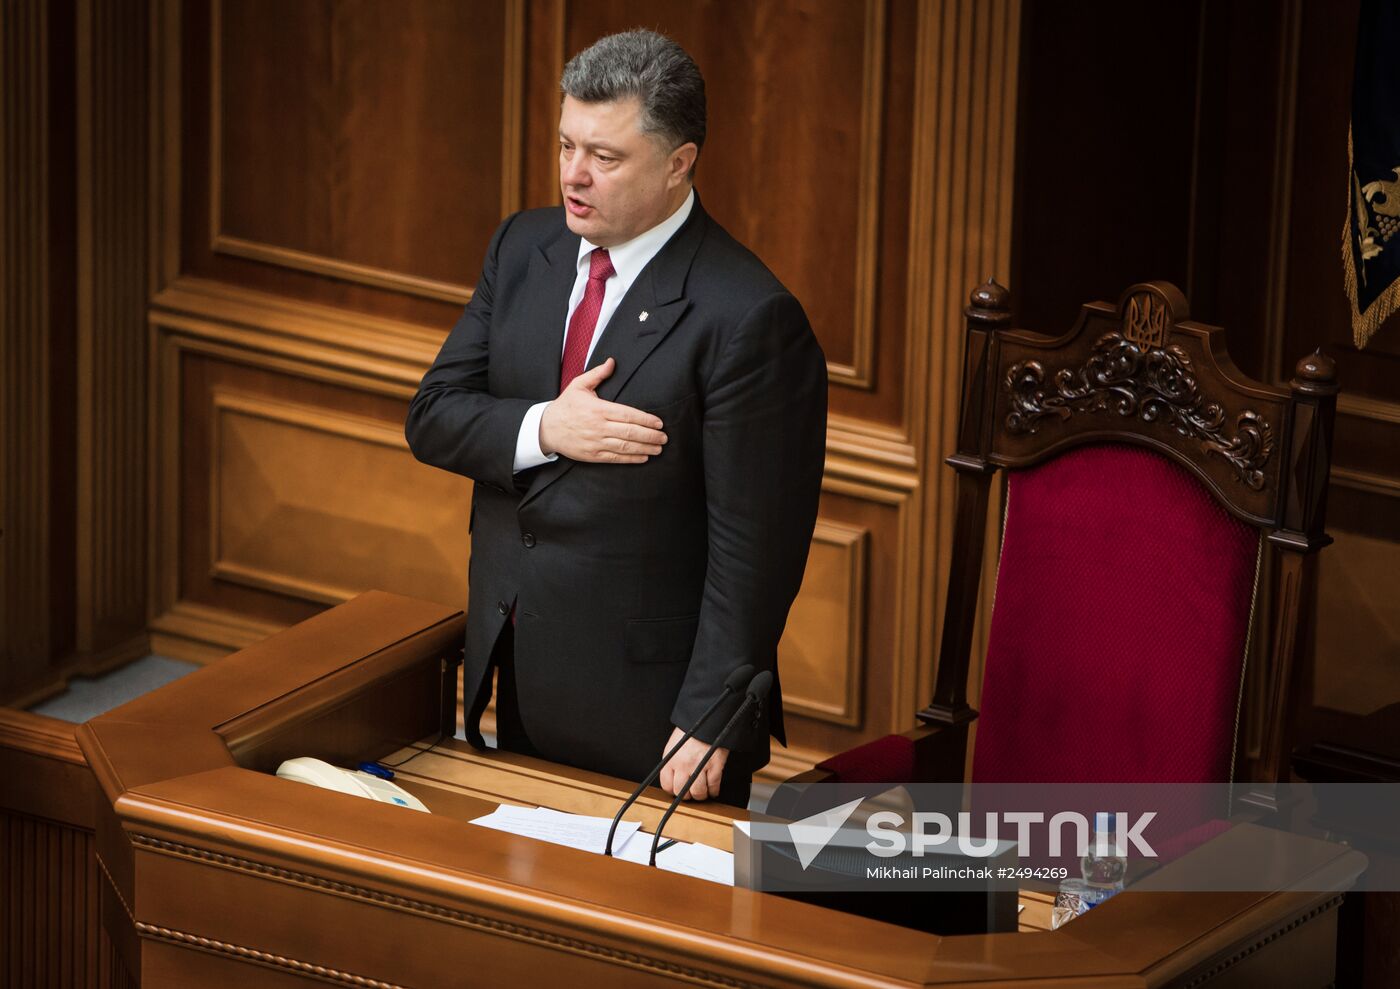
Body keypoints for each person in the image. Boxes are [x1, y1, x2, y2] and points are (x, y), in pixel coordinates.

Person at [405, 29, 826, 808]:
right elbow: (432, 415)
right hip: (518, 661)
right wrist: (544, 428)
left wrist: (712, 713)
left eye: (605, 156)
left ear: (679, 161)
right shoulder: (522, 245)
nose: (573, 174)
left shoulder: (750, 317)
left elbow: (755, 547)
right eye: (566, 144)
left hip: (654, 709)